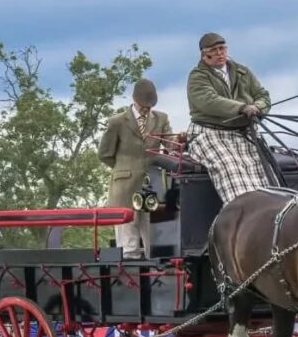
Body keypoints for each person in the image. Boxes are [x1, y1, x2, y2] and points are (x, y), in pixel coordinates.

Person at [186, 32, 274, 204]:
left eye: (222, 48)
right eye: (214, 50)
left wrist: (258, 108)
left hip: (245, 132)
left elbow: (263, 95)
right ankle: (243, 209)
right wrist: (241, 108)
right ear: (204, 55)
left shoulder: (243, 71)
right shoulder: (197, 76)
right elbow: (209, 101)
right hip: (211, 133)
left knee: (265, 172)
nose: (220, 53)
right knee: (230, 169)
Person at [99, 79, 172, 259]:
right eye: (143, 105)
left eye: (149, 106)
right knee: (128, 239)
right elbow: (105, 154)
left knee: (154, 239)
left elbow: (171, 145)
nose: (146, 109)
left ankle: (155, 270)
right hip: (125, 187)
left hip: (152, 186)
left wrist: (179, 142)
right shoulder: (117, 122)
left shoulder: (161, 119)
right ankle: (129, 270)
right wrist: (124, 169)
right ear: (134, 99)